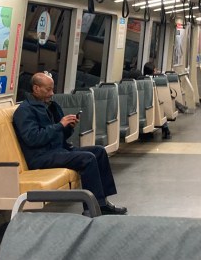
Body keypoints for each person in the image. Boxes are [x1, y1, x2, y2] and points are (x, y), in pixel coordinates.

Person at [12, 72, 127, 215]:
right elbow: (33, 138)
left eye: (52, 89)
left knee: (99, 151)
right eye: (48, 90)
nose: (52, 93)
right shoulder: (24, 111)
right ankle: (90, 208)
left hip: (57, 150)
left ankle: (102, 203)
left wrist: (68, 127)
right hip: (41, 156)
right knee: (88, 158)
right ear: (36, 88)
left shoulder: (50, 106)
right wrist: (60, 125)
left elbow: (60, 134)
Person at [143, 62, 172, 140]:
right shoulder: (154, 81)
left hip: (144, 105)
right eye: (155, 69)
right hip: (153, 103)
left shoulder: (141, 80)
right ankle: (166, 130)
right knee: (161, 110)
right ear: (153, 71)